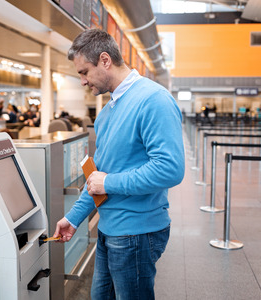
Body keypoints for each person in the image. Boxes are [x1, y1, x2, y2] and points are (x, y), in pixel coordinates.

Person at [53, 29, 185, 299]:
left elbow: (170, 168)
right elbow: (97, 176)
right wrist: (74, 218)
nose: (82, 81)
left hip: (137, 233)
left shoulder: (153, 100)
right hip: (109, 229)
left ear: (104, 60)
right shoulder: (107, 112)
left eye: (84, 72)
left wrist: (109, 182)